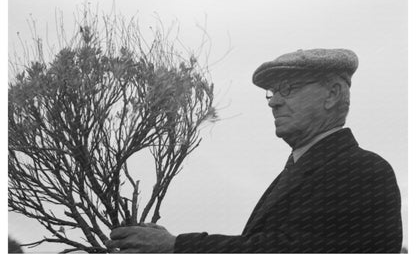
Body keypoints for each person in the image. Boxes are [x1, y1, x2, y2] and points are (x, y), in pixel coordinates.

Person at [106, 48, 403, 253]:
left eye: (289, 88)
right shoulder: (301, 169)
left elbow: (290, 251)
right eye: (272, 93)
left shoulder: (364, 171)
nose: (274, 102)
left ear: (333, 94)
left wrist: (178, 247)